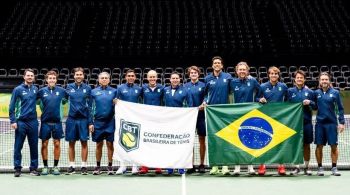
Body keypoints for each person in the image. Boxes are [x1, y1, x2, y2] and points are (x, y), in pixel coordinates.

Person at [203, 56, 232, 175]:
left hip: (224, 112)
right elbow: (205, 94)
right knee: (213, 139)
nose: (217, 64)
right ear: (212, 65)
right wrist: (205, 101)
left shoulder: (228, 77)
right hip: (212, 113)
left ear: (222, 65)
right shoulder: (207, 78)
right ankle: (214, 166)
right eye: (215, 63)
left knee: (225, 138)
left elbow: (234, 90)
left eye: (219, 63)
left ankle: (225, 166)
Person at [230, 61, 261, 175]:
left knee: (250, 140)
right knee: (237, 140)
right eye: (240, 70)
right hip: (237, 115)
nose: (242, 71)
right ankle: (237, 167)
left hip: (250, 115)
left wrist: (258, 99)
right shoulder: (232, 82)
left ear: (247, 71)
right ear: (237, 71)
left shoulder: (252, 81)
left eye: (244, 69)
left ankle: (250, 166)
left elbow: (260, 91)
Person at [257, 66, 288, 175]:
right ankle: (262, 166)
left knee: (279, 142)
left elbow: (289, 99)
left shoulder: (283, 87)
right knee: (264, 142)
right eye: (272, 73)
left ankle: (281, 166)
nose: (274, 75)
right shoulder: (263, 86)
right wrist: (260, 99)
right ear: (268, 75)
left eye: (276, 74)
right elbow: (257, 98)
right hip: (265, 119)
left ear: (278, 75)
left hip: (279, 119)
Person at [9, 68, 40, 177]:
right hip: (21, 122)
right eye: (28, 75)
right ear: (24, 77)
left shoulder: (36, 89)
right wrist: (13, 120)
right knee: (18, 146)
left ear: (34, 77)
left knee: (34, 146)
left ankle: (33, 168)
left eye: (32, 75)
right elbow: (11, 106)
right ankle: (17, 168)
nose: (30, 77)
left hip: (33, 122)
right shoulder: (17, 89)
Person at [314, 72, 345, 176]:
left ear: (329, 81)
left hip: (332, 124)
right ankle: (320, 168)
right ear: (319, 81)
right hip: (320, 124)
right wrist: (309, 102)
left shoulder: (335, 92)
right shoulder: (316, 93)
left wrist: (341, 122)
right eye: (322, 79)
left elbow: (340, 108)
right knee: (319, 146)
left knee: (334, 146)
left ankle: (334, 167)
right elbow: (314, 106)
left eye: (326, 79)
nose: (324, 81)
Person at [37, 71, 67, 175]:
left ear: (56, 80)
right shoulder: (41, 91)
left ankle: (55, 166)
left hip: (57, 122)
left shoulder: (62, 91)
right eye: (50, 78)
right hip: (45, 122)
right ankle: (45, 167)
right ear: (46, 80)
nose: (52, 80)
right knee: (44, 144)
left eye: (54, 78)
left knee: (57, 144)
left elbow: (66, 100)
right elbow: (36, 102)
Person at [163, 71, 193, 174]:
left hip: (181, 121)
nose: (175, 80)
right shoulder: (165, 90)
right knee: (169, 143)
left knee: (180, 143)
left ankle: (181, 166)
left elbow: (190, 104)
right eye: (173, 78)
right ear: (170, 80)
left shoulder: (185, 90)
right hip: (168, 121)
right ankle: (170, 166)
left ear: (179, 80)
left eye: (177, 78)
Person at [65, 67, 93, 175]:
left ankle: (83, 166)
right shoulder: (68, 87)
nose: (79, 76)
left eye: (80, 74)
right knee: (71, 143)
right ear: (74, 76)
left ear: (83, 76)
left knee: (84, 143)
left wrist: (90, 122)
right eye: (77, 74)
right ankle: (71, 165)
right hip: (71, 119)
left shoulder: (88, 88)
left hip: (83, 120)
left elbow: (90, 107)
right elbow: (63, 100)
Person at [288, 70, 316, 176]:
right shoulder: (290, 91)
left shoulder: (310, 92)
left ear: (304, 79)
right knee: (295, 145)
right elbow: (286, 105)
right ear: (295, 79)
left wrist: (310, 102)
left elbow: (315, 106)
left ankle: (307, 166)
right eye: (297, 77)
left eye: (301, 77)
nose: (299, 79)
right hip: (294, 123)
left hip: (307, 122)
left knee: (306, 145)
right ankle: (296, 167)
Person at [116, 69, 142, 175]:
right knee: (123, 142)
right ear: (126, 77)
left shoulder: (139, 89)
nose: (131, 77)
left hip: (135, 119)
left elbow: (142, 102)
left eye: (132, 76)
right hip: (123, 119)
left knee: (136, 142)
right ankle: (123, 166)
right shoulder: (120, 88)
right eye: (129, 76)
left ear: (135, 78)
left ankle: (135, 166)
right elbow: (116, 100)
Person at [91, 72, 118, 175]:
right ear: (99, 79)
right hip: (98, 123)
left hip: (110, 122)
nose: (104, 79)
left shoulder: (114, 91)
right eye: (102, 78)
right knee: (99, 145)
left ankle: (110, 166)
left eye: (106, 78)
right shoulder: (93, 92)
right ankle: (98, 166)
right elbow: (89, 108)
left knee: (110, 144)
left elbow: (119, 105)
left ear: (109, 80)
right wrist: (91, 122)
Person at [139, 70, 164, 174]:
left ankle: (158, 166)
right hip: (146, 119)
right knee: (145, 142)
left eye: (154, 77)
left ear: (157, 78)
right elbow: (137, 100)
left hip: (158, 120)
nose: (152, 79)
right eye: (150, 77)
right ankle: (144, 166)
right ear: (147, 78)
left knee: (157, 142)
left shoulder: (162, 89)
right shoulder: (143, 88)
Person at [184, 66, 206, 174]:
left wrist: (204, 103)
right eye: (191, 72)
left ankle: (202, 164)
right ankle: (191, 164)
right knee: (190, 141)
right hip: (190, 117)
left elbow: (207, 96)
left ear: (198, 74)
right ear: (189, 74)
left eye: (195, 72)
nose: (193, 74)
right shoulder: (185, 86)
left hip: (201, 116)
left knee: (201, 139)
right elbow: (183, 100)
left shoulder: (203, 85)